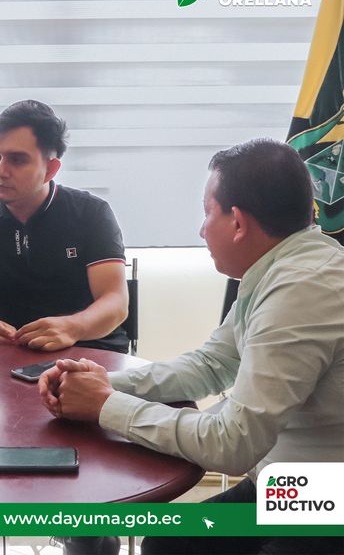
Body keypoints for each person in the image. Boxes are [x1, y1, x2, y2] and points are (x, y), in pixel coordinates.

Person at [39, 138, 344, 555]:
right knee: (169, 544)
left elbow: (233, 443)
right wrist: (105, 384)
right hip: (291, 488)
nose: (201, 230)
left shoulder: (302, 291)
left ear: (238, 223)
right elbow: (212, 362)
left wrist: (106, 405)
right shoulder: (281, 269)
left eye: (207, 212)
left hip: (324, 503)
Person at [0, 99, 129, 353]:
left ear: (50, 169)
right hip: (8, 352)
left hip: (87, 348)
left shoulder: (91, 213)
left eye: (17, 160)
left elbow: (115, 301)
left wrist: (73, 327)